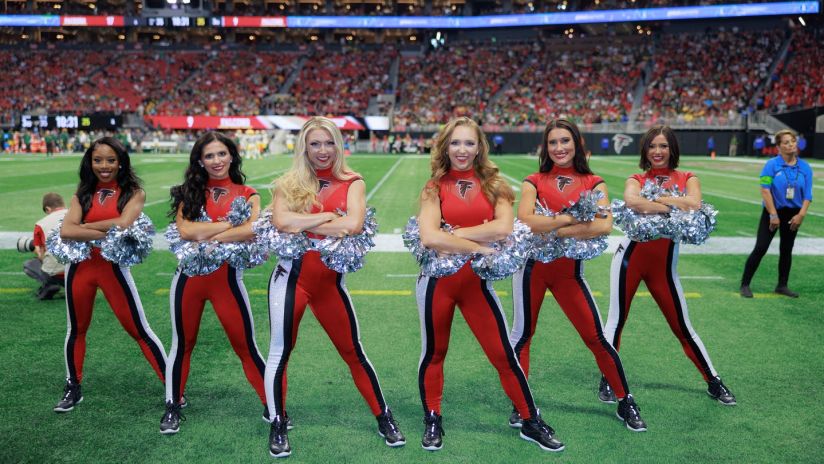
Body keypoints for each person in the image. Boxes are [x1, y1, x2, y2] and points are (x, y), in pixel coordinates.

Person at [415, 117, 563, 452]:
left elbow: (504, 229)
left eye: (469, 143)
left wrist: (453, 234)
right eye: (455, 143)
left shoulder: (496, 184)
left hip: (477, 285)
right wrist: (479, 245)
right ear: (445, 147)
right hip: (438, 283)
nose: (462, 150)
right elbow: (427, 237)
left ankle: (530, 419)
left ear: (480, 146)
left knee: (502, 355)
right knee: (435, 353)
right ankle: (433, 418)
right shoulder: (433, 187)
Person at [265, 117, 405, 458]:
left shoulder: (352, 180)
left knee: (353, 352)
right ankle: (278, 422)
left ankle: (383, 415)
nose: (323, 151)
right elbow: (282, 221)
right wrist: (326, 219)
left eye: (329, 143)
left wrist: (306, 224)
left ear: (338, 145)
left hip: (330, 284)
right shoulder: (288, 182)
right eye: (315, 144)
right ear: (304, 147)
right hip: (291, 280)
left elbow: (354, 224)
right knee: (280, 353)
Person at [511, 119, 646, 433]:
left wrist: (555, 226)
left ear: (577, 144)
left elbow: (602, 225)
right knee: (522, 336)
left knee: (596, 338)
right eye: (553, 142)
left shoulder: (593, 182)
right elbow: (526, 222)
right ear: (546, 147)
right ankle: (521, 405)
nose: (559, 148)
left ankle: (625, 400)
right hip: (532, 270)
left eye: (565, 141)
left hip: (569, 273)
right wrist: (573, 220)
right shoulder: (533, 180)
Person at [602, 126, 736, 408]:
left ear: (672, 148)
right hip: (630, 259)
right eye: (652, 146)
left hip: (664, 267)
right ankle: (608, 378)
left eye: (663, 146)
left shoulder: (687, 177)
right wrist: (674, 204)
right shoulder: (636, 177)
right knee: (616, 320)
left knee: (682, 326)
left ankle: (713, 380)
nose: (657, 151)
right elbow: (631, 201)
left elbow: (694, 204)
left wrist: (657, 201)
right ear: (645, 150)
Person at [160, 132, 268, 434]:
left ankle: (272, 407)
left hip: (227, 283)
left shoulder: (248, 193)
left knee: (246, 347)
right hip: (188, 281)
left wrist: (207, 234)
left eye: (222, 154)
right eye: (209, 156)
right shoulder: (189, 191)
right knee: (182, 345)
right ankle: (173, 405)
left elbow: (252, 231)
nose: (217, 161)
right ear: (199, 160)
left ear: (232, 156)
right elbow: (184, 230)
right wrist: (230, 226)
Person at [54, 137, 167, 413]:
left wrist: (86, 226)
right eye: (98, 160)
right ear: (89, 162)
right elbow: (67, 231)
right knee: (76, 330)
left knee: (140, 330)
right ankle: (73, 386)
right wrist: (106, 230)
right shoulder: (82, 191)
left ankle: (172, 386)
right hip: (80, 268)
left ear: (121, 162)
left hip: (112, 268)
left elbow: (124, 224)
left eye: (110, 160)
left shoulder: (133, 192)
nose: (104, 166)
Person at [741, 129, 813, 299]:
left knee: (786, 250)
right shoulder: (771, 165)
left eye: (793, 141)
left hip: (794, 214)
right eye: (786, 142)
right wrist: (773, 214)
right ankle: (745, 284)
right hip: (772, 212)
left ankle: (782, 285)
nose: (791, 144)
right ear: (778, 146)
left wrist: (801, 215)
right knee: (761, 248)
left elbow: (808, 194)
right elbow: (765, 190)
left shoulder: (805, 167)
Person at [23, 192, 67, 300]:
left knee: (29, 264)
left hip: (57, 273)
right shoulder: (77, 216)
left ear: (47, 209)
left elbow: (40, 255)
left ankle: (50, 283)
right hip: (79, 272)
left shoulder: (40, 224)